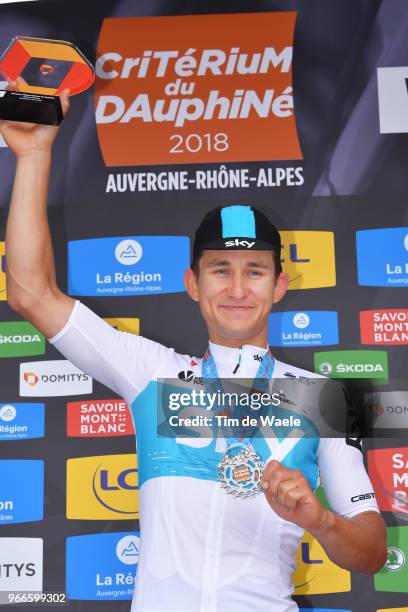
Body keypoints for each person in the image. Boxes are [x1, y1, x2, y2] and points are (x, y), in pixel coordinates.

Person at [1, 83, 387, 612]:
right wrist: (33, 153)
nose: (236, 288)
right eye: (219, 270)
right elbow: (29, 292)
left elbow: (370, 553)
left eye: (254, 272)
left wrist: (317, 520)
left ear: (279, 286)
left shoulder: (322, 398)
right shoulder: (150, 373)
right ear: (191, 283)